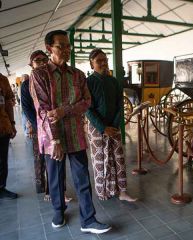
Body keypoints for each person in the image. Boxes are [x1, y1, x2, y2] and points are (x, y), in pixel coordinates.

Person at [30, 30, 111, 234]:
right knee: (56, 179)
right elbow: (43, 109)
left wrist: (64, 110)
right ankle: (58, 212)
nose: (66, 50)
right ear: (49, 49)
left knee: (82, 178)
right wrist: (54, 140)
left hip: (75, 134)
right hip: (52, 138)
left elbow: (86, 102)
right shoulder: (39, 75)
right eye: (61, 46)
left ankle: (88, 220)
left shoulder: (78, 74)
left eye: (68, 46)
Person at [86, 48, 137, 202]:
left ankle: (122, 192)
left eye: (105, 60)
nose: (103, 63)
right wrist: (103, 128)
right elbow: (87, 108)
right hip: (97, 128)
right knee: (101, 161)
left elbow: (120, 104)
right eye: (99, 61)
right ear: (91, 64)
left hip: (114, 127)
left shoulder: (113, 81)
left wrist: (114, 125)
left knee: (118, 159)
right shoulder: (88, 82)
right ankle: (103, 192)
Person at [22, 50, 72, 202]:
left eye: (44, 59)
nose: (42, 62)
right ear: (31, 65)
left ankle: (58, 192)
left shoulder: (52, 78)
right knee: (40, 160)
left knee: (57, 160)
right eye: (38, 60)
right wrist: (40, 127)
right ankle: (44, 190)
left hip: (55, 126)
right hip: (39, 129)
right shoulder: (26, 84)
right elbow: (27, 108)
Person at [0, 72, 17, 199]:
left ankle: (1, 188)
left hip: (3, 126)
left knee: (2, 161)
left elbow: (8, 103)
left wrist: (12, 123)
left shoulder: (3, 79)